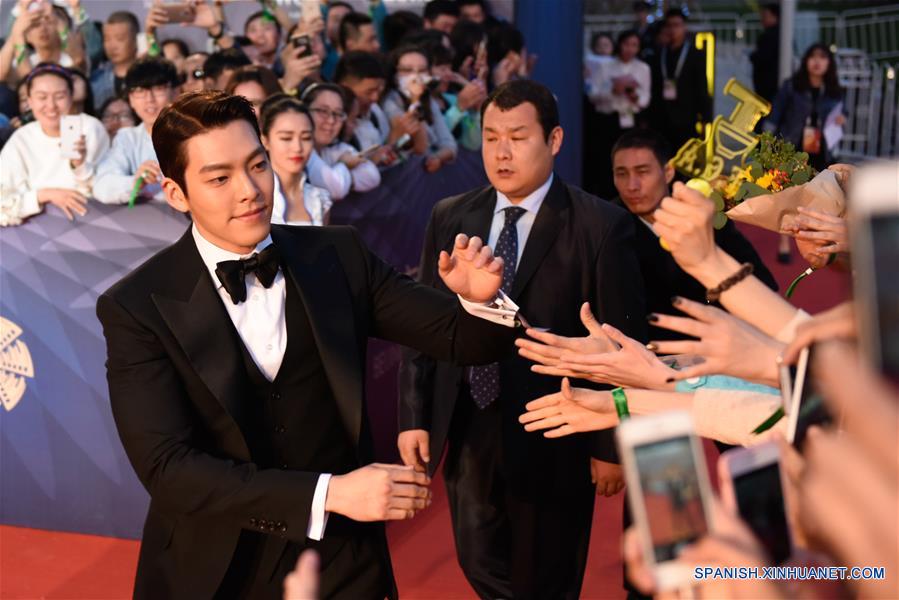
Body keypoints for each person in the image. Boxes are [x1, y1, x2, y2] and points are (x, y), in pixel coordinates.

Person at [96, 88, 518, 600]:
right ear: (176, 193)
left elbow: (463, 341)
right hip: (213, 569)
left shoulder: (337, 255)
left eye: (257, 165)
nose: (250, 190)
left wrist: (483, 302)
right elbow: (169, 469)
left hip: (342, 561)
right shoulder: (138, 305)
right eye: (220, 178)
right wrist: (330, 492)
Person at [398, 80, 647, 599]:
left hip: (558, 428)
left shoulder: (601, 226)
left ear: (554, 140)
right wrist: (414, 416)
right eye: (490, 137)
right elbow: (424, 323)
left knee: (548, 576)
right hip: (469, 421)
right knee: (479, 562)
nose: (502, 152)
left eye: (517, 136)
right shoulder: (451, 215)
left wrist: (610, 443)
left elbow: (626, 345)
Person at [609, 129, 777, 339]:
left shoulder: (704, 215)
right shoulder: (608, 227)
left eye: (642, 172)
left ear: (668, 172)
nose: (631, 186)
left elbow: (763, 284)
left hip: (716, 343)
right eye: (621, 174)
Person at [1, 63, 108, 226]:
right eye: (42, 97)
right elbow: (3, 203)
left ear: (71, 97)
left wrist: (79, 165)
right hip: (36, 232)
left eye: (59, 96)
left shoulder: (90, 128)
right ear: (29, 100)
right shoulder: (21, 139)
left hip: (91, 223)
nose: (51, 106)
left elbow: (103, 189)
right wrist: (44, 195)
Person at [93, 57, 178, 205]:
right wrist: (136, 182)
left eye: (158, 89)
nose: (149, 99)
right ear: (131, 99)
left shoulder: (195, 135)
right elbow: (102, 186)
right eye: (140, 91)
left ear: (176, 92)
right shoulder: (127, 138)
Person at [584, 29, 650, 198]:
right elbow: (594, 94)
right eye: (626, 44)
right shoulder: (605, 66)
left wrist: (634, 95)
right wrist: (613, 90)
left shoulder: (642, 68)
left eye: (634, 45)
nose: (629, 49)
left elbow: (646, 98)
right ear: (619, 45)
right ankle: (607, 196)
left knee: (630, 159)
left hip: (629, 118)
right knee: (606, 161)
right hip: (607, 119)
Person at [766, 43, 845, 172]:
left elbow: (843, 112)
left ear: (829, 63)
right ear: (806, 61)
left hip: (822, 150)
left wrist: (842, 118)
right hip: (792, 144)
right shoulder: (792, 86)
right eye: (812, 56)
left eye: (822, 57)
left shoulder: (834, 91)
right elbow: (776, 112)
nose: (817, 61)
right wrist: (768, 141)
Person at [336, 51, 421, 166]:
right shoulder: (334, 124)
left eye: (379, 91)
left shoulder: (374, 111)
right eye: (369, 92)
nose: (375, 98)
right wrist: (393, 139)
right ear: (345, 87)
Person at [259, 94, 332, 226]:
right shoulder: (253, 196)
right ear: (265, 140)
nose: (297, 147)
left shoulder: (320, 199)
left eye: (306, 138)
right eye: (286, 138)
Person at [382, 46, 457, 171]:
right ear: (395, 74)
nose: (415, 76)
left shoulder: (429, 101)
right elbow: (421, 147)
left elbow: (449, 144)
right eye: (407, 70)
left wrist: (437, 158)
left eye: (422, 70)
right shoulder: (390, 103)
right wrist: (415, 100)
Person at [301, 82, 380, 199]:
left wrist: (340, 175)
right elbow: (336, 189)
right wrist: (344, 165)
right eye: (323, 111)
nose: (331, 120)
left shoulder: (333, 149)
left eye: (338, 114)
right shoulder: (301, 149)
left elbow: (372, 175)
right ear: (304, 112)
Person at [648, 8, 712, 151]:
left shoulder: (695, 54)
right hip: (662, 117)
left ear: (684, 27)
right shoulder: (660, 53)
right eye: (669, 25)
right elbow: (655, 86)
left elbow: (701, 86)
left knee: (686, 161)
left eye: (677, 25)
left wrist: (705, 118)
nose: (672, 30)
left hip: (687, 117)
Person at [429, 44, 486, 151]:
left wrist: (476, 113)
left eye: (450, 68)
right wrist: (458, 108)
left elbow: (472, 143)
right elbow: (433, 139)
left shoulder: (451, 99)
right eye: (443, 69)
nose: (449, 74)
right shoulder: (423, 104)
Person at [90, 11, 139, 108]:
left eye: (120, 39)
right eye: (107, 39)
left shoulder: (147, 76)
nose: (112, 46)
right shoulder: (96, 78)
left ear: (136, 40)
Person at [750, 3, 780, 104]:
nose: (762, 19)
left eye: (766, 16)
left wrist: (753, 56)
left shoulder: (771, 35)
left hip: (768, 85)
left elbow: (762, 56)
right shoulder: (775, 33)